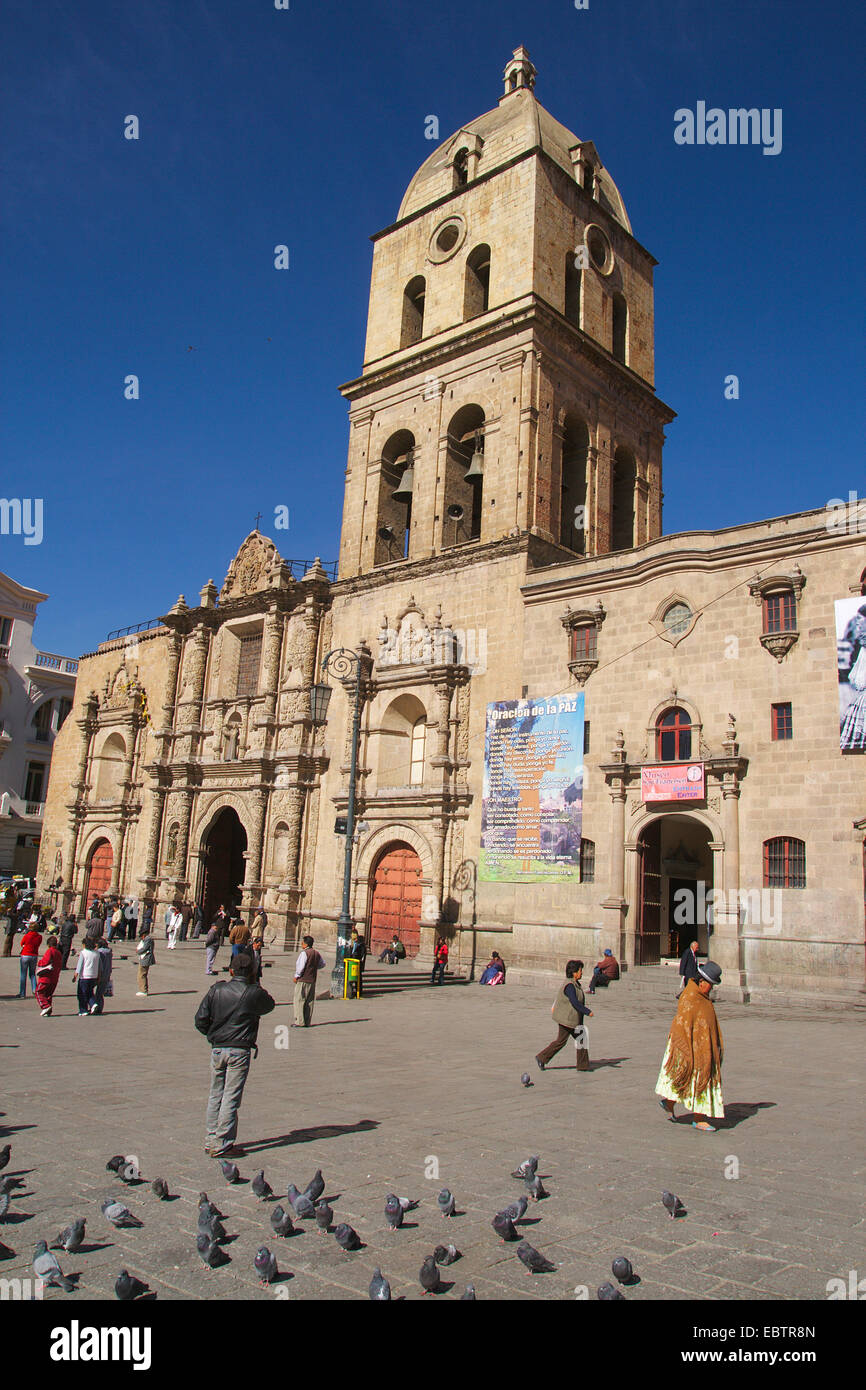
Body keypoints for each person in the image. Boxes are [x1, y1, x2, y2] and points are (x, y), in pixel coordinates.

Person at [194, 950, 275, 1158]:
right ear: (251, 972)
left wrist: (213, 1035)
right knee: (230, 1096)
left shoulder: (216, 990)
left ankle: (210, 1139)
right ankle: (222, 1143)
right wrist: (255, 983)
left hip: (218, 1048)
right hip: (239, 1050)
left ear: (231, 970)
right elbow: (269, 1004)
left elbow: (200, 1019)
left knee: (215, 1094)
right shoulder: (253, 992)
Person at [656, 961, 725, 1131]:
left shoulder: (701, 997)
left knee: (688, 1080)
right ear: (702, 982)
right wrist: (689, 1047)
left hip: (700, 1046)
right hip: (689, 1047)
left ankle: (669, 1102)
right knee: (695, 1078)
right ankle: (698, 1118)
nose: (711, 989)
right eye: (711, 985)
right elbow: (683, 1023)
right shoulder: (691, 997)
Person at [535, 960, 593, 1073]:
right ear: (574, 973)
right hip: (566, 1020)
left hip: (572, 1019)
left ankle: (583, 1065)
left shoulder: (574, 984)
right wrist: (587, 1011)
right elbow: (575, 1002)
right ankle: (541, 1057)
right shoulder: (570, 986)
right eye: (580, 971)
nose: (581, 973)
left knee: (581, 1039)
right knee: (561, 1041)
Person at [293, 935, 327, 1027]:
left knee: (299, 1000)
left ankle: (299, 1021)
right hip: (312, 980)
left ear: (305, 944)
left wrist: (296, 976)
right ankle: (307, 1021)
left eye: (302, 942)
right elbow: (322, 964)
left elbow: (300, 967)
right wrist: (313, 967)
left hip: (303, 980)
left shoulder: (304, 953)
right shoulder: (316, 953)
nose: (301, 944)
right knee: (309, 1001)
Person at [34, 934, 62, 1016]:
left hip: (46, 976)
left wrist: (39, 962)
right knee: (48, 994)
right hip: (55, 977)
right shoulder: (58, 953)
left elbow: (45, 962)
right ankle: (48, 1010)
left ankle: (45, 1006)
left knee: (38, 992)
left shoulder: (50, 951)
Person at [73, 939, 101, 1014]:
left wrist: (76, 974)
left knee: (82, 994)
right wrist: (99, 976)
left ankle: (83, 1010)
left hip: (84, 976)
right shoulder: (97, 953)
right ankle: (93, 1004)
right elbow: (99, 966)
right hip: (94, 976)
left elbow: (80, 964)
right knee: (90, 992)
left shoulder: (83, 953)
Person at [18, 918, 43, 998]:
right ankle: (35, 990)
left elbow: (22, 943)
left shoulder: (27, 935)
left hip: (25, 955)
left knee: (23, 974)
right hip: (34, 955)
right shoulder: (39, 937)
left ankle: (22, 993)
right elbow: (38, 944)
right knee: (32, 974)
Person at [92, 937, 114, 1014]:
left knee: (90, 990)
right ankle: (99, 1008)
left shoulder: (99, 952)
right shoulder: (109, 952)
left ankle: (94, 1006)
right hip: (107, 974)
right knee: (100, 993)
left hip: (99, 974)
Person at [136, 924, 155, 996]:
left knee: (141, 975)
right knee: (142, 974)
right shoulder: (147, 939)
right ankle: (143, 989)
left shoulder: (148, 939)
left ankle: (143, 990)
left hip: (146, 958)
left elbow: (144, 948)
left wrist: (138, 951)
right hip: (144, 958)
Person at [347, 929, 367, 996]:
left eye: (356, 939)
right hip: (353, 963)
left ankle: (359, 991)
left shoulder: (362, 946)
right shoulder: (355, 945)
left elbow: (361, 955)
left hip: (358, 964)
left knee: (358, 979)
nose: (355, 940)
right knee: (354, 978)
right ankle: (354, 991)